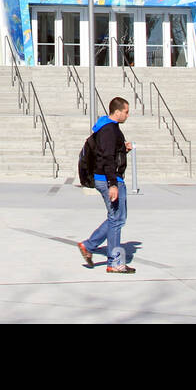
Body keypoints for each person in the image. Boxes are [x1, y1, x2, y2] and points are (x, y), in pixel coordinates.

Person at [77, 97, 136, 274]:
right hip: (109, 179)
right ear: (117, 111)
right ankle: (115, 261)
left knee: (116, 217)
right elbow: (107, 158)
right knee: (117, 219)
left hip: (105, 177)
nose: (127, 114)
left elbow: (108, 152)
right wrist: (113, 184)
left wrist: (122, 149)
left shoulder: (106, 127)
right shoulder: (109, 130)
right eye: (126, 111)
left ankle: (88, 245)